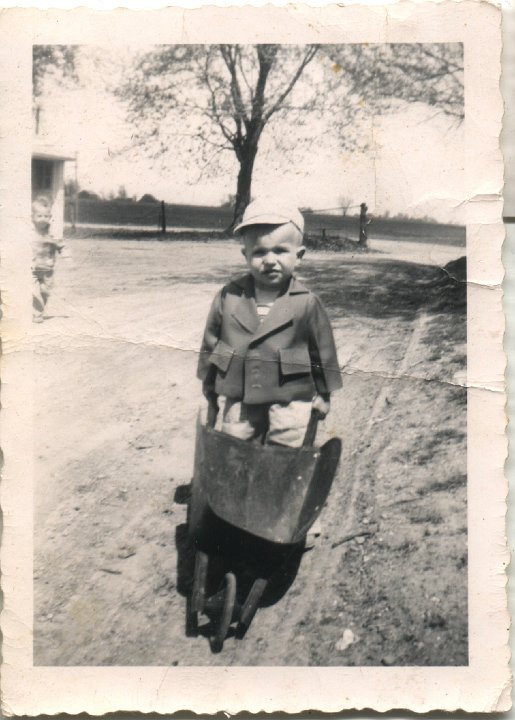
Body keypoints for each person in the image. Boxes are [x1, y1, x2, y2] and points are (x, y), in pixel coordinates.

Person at [197, 198, 342, 448]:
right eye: (260, 252)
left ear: (299, 255)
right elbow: (213, 345)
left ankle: (280, 484)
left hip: (290, 394)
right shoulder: (228, 296)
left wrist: (324, 394)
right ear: (246, 255)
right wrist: (210, 387)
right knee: (235, 446)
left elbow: (322, 353)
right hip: (240, 393)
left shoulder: (306, 302)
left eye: (280, 251)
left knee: (287, 447)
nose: (270, 260)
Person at [31, 194, 68, 323]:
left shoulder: (52, 234)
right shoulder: (29, 232)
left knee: (45, 291)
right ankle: (37, 313)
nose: (43, 219)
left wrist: (67, 257)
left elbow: (61, 245)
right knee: (34, 291)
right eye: (39, 216)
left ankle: (39, 309)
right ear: (33, 217)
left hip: (48, 269)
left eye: (46, 216)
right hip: (33, 269)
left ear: (50, 217)